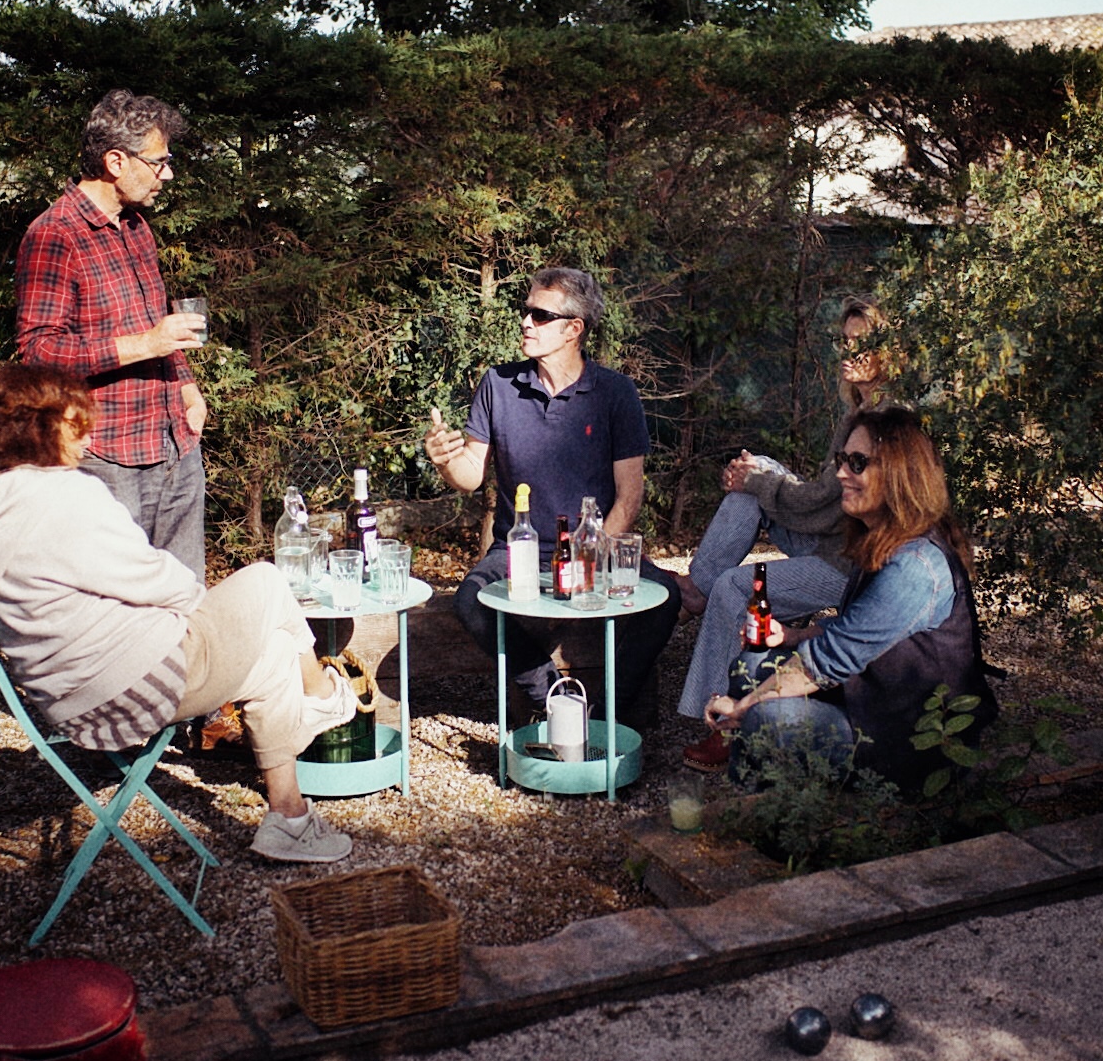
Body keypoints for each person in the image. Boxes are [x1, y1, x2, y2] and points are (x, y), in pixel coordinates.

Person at [0, 364, 359, 864]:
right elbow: (153, 578)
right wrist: (196, 602)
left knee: (273, 655)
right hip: (135, 686)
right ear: (37, 427)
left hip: (67, 701)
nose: (88, 438)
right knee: (267, 581)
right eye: (76, 425)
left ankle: (289, 817)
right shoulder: (62, 496)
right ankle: (325, 699)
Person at [423, 266, 681, 722]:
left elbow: (629, 497)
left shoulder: (615, 393)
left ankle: (607, 717)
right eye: (526, 311)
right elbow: (470, 475)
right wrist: (445, 460)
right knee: (470, 602)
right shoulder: (498, 385)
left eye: (541, 315)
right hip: (519, 550)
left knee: (665, 598)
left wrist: (591, 556)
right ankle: (557, 702)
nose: (526, 322)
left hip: (594, 551)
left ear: (573, 329)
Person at [700, 405, 996, 794]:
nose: (841, 473)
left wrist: (742, 707)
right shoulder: (880, 539)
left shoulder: (915, 566)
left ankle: (779, 810)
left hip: (913, 739)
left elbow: (826, 662)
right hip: (873, 699)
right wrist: (790, 636)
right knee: (752, 662)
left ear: (899, 474)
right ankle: (763, 794)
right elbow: (851, 628)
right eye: (842, 459)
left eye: (857, 463)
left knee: (769, 718)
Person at [677, 296, 892, 769]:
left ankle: (723, 725)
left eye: (862, 343)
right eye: (845, 341)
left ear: (889, 352)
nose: (849, 352)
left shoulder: (884, 420)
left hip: (850, 563)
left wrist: (756, 481)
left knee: (735, 586)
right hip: (832, 538)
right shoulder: (856, 412)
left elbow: (827, 507)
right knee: (758, 475)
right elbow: (822, 503)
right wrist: (757, 478)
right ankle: (697, 588)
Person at [15, 91, 208, 576]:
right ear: (116, 161)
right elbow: (38, 352)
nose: (168, 174)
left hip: (175, 446)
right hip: (107, 461)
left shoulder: (137, 227)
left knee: (184, 597)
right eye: (159, 162)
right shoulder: (54, 235)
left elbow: (155, 323)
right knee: (116, 603)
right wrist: (146, 344)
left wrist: (187, 387)